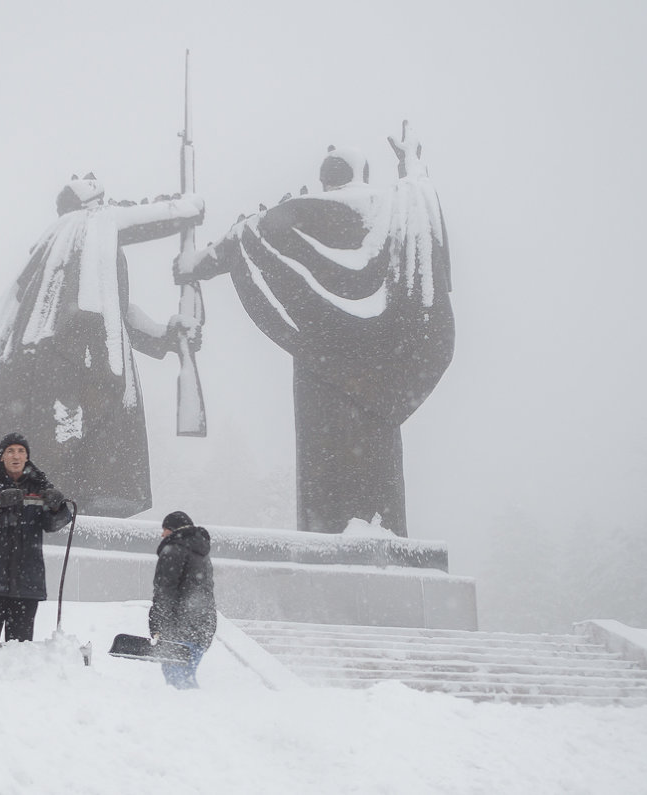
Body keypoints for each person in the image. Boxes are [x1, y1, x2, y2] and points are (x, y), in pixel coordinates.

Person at [174, 121, 454, 537]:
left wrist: (191, 265)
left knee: (324, 478)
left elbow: (241, 238)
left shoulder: (297, 216)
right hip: (378, 374)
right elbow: (419, 206)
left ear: (325, 178)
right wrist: (411, 163)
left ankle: (326, 533)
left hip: (321, 375)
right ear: (361, 175)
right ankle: (379, 527)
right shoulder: (390, 209)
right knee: (376, 476)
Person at [0, 174, 204, 530]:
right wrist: (185, 210)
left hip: (65, 359)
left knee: (83, 455)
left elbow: (121, 311)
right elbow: (126, 221)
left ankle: (72, 509)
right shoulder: (79, 228)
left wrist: (164, 336)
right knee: (73, 444)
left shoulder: (76, 255)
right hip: (63, 363)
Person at [0, 432, 73, 643]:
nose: (16, 456)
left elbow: (53, 524)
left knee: (21, 649)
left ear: (27, 457)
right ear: (1, 456)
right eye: (10, 451)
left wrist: (58, 507)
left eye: (21, 451)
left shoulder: (39, 484)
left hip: (26, 584)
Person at [149, 510, 216, 689]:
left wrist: (158, 627)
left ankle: (190, 713)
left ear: (175, 530)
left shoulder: (174, 549)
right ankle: (195, 710)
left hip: (179, 627)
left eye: (166, 529)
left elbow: (165, 592)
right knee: (186, 676)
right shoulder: (202, 554)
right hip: (202, 628)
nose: (162, 534)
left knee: (176, 678)